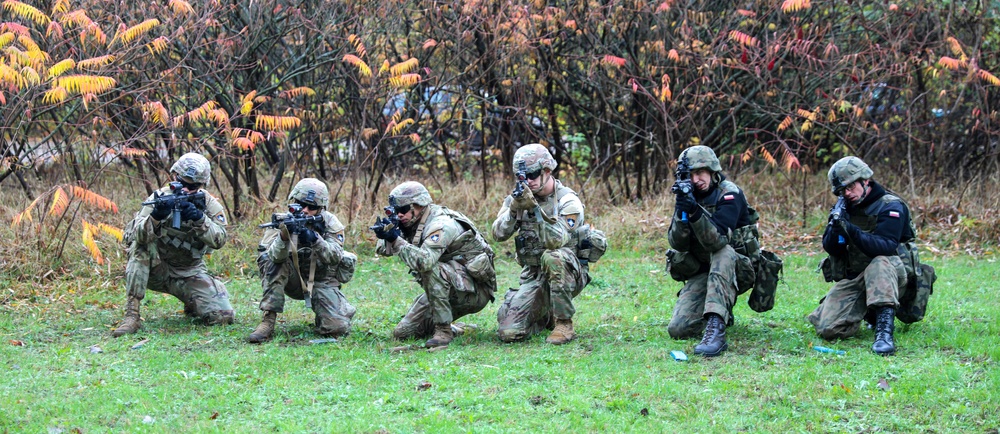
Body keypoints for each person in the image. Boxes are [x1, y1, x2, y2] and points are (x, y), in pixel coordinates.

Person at [112, 152, 233, 337]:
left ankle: (196, 299)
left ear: (202, 185)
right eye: (182, 183)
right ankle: (132, 315)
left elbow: (220, 240)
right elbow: (136, 235)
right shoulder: (159, 197)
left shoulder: (209, 204)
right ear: (174, 176)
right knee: (140, 246)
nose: (186, 190)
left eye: (193, 187)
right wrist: (155, 217)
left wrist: (200, 219)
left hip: (188, 271)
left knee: (223, 316)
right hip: (156, 268)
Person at [808, 156, 919, 356]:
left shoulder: (891, 206)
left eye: (851, 187)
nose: (847, 194)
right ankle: (869, 313)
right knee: (827, 328)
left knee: (879, 263)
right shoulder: (845, 209)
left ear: (865, 181)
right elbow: (833, 249)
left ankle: (884, 331)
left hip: (892, 276)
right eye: (842, 191)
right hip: (859, 279)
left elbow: (885, 246)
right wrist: (835, 228)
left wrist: (851, 230)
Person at [372, 181, 496, 348]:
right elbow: (383, 251)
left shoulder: (441, 224)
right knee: (403, 332)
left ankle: (443, 330)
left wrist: (395, 239)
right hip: (449, 285)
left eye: (402, 210)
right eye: (395, 211)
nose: (399, 215)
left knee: (430, 269)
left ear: (418, 206)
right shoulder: (413, 222)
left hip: (475, 290)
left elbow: (425, 262)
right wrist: (388, 234)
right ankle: (458, 329)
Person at [491, 143, 594, 345]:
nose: (528, 181)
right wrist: (514, 210)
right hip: (533, 274)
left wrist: (535, 210)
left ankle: (564, 323)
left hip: (567, 272)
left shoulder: (567, 200)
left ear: (547, 171)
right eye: (522, 177)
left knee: (553, 256)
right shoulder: (518, 199)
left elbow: (556, 241)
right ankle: (544, 314)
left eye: (532, 175)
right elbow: (498, 234)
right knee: (509, 332)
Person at [664, 145, 761, 357]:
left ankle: (716, 330)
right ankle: (718, 311)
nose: (696, 179)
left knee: (723, 251)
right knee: (679, 329)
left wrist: (695, 212)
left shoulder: (729, 194)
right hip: (705, 271)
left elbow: (717, 241)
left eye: (700, 173)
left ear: (712, 171)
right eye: (690, 175)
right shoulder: (689, 197)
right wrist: (683, 211)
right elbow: (677, 244)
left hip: (737, 270)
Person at [247, 178, 358, 343]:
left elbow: (335, 257)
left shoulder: (330, 223)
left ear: (321, 209)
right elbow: (273, 258)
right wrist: (284, 236)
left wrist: (315, 239)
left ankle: (338, 309)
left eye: (312, 207)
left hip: (321, 281)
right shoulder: (281, 221)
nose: (305, 210)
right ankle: (268, 320)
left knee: (336, 328)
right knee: (270, 260)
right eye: (300, 204)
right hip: (291, 280)